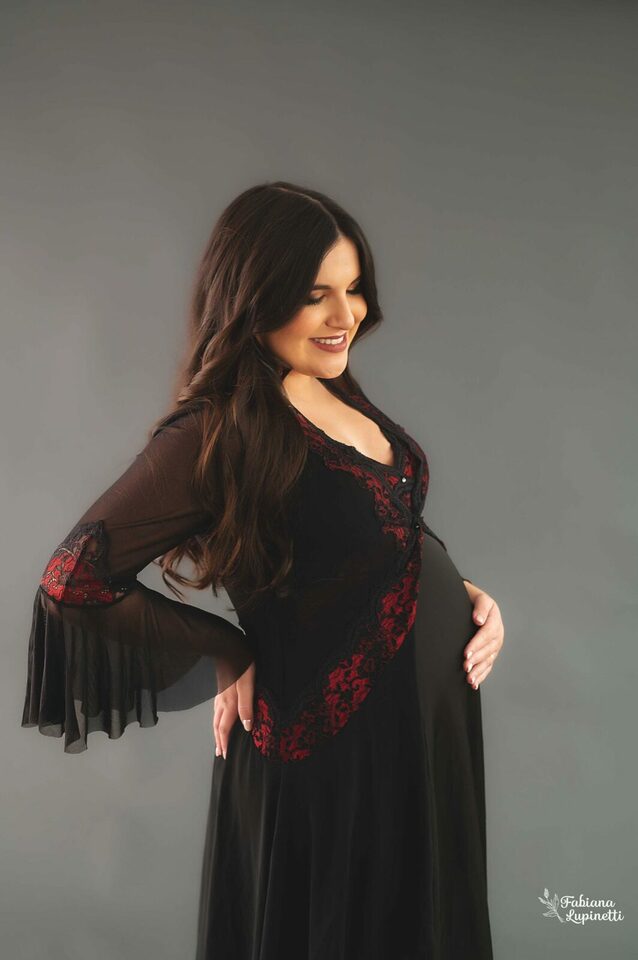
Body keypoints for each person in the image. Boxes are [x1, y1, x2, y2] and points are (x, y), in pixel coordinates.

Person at [21, 180, 504, 959]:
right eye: (316, 296)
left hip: (423, 738)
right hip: (335, 755)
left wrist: (467, 593)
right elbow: (72, 582)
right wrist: (228, 651)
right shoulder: (216, 430)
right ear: (255, 296)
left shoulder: (334, 388)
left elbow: (373, 525)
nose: (346, 316)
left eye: (353, 289)